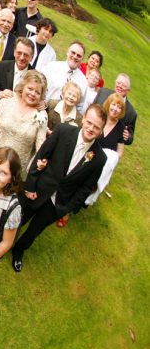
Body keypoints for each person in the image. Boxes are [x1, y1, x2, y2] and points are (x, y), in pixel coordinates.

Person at [11, 105, 108, 272]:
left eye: (96, 127)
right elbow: (41, 156)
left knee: (35, 230)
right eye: (89, 123)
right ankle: (3, 241)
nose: (91, 129)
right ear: (83, 118)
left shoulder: (99, 158)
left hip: (59, 202)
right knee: (18, 218)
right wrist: (30, 186)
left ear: (101, 130)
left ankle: (19, 250)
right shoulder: (63, 131)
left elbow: (86, 188)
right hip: (38, 189)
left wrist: (66, 208)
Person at [0, 70, 48, 176]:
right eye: (30, 89)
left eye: (37, 92)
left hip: (16, 165)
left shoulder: (42, 115)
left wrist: (40, 161)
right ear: (23, 86)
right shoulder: (7, 101)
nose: (33, 94)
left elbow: (41, 144)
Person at [84, 94, 126, 208]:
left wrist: (111, 158)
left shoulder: (122, 128)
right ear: (109, 104)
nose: (115, 109)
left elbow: (120, 153)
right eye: (113, 104)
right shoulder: (100, 119)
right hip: (88, 156)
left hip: (102, 163)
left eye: (119, 107)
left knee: (89, 187)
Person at [41, 41, 88, 108]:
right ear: (67, 52)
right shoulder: (52, 66)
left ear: (82, 59)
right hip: (42, 109)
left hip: (64, 116)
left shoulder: (83, 81)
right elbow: (39, 86)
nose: (75, 57)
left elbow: (79, 106)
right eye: (73, 53)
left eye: (79, 56)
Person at [93, 73, 136, 146]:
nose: (120, 86)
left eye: (123, 85)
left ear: (128, 90)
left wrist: (128, 137)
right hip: (92, 135)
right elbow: (91, 109)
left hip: (109, 147)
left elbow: (130, 138)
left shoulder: (131, 113)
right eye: (118, 83)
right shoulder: (102, 92)